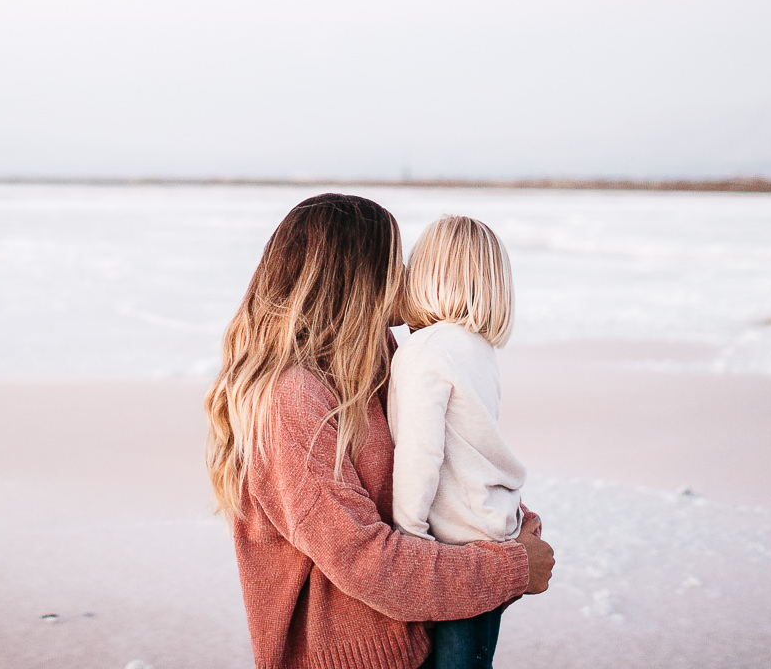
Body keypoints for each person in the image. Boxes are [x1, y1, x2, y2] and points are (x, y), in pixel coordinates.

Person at [205, 194, 555, 669]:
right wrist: (511, 567)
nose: (409, 276)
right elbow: (367, 562)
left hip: (414, 637)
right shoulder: (289, 401)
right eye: (397, 262)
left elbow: (454, 450)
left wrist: (511, 519)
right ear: (356, 276)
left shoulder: (379, 354)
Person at [386, 215, 527, 668]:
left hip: (454, 550)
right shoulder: (478, 350)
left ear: (422, 274)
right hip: (492, 531)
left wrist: (409, 535)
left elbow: (420, 453)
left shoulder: (424, 352)